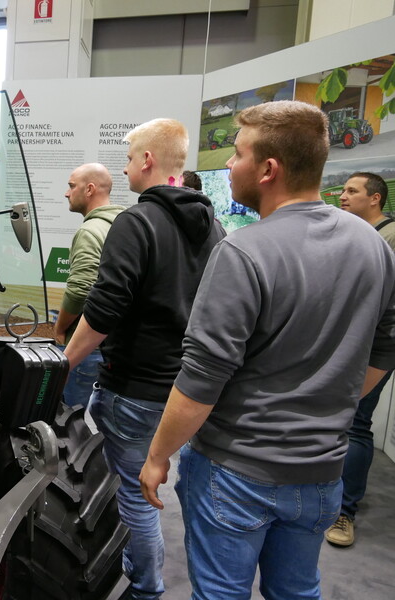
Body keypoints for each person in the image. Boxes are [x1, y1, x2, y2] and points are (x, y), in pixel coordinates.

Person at [139, 101, 395, 599]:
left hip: (236, 471)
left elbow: (201, 380)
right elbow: (385, 348)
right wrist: (327, 403)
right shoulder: (373, 247)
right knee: (297, 591)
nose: (229, 164)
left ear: (268, 169)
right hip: (321, 475)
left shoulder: (243, 251)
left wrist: (157, 455)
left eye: (237, 154)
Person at [63, 118, 225, 599]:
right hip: (185, 392)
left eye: (130, 158)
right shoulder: (214, 227)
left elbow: (104, 309)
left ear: (148, 160)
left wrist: (63, 362)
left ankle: (146, 589)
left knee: (134, 497)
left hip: (133, 390)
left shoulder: (136, 222)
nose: (126, 168)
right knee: (155, 490)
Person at [325, 172, 395, 547]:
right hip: (345, 345)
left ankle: (345, 512)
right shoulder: (355, 234)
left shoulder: (390, 237)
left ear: (375, 198)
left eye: (352, 191)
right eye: (343, 189)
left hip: (371, 350)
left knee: (356, 423)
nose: (342, 196)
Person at [54, 163, 123, 407]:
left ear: (90, 189)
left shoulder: (90, 231)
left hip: (87, 346)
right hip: (115, 344)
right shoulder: (126, 225)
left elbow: (81, 289)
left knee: (73, 417)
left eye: (72, 186)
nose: (67, 193)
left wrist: (60, 327)